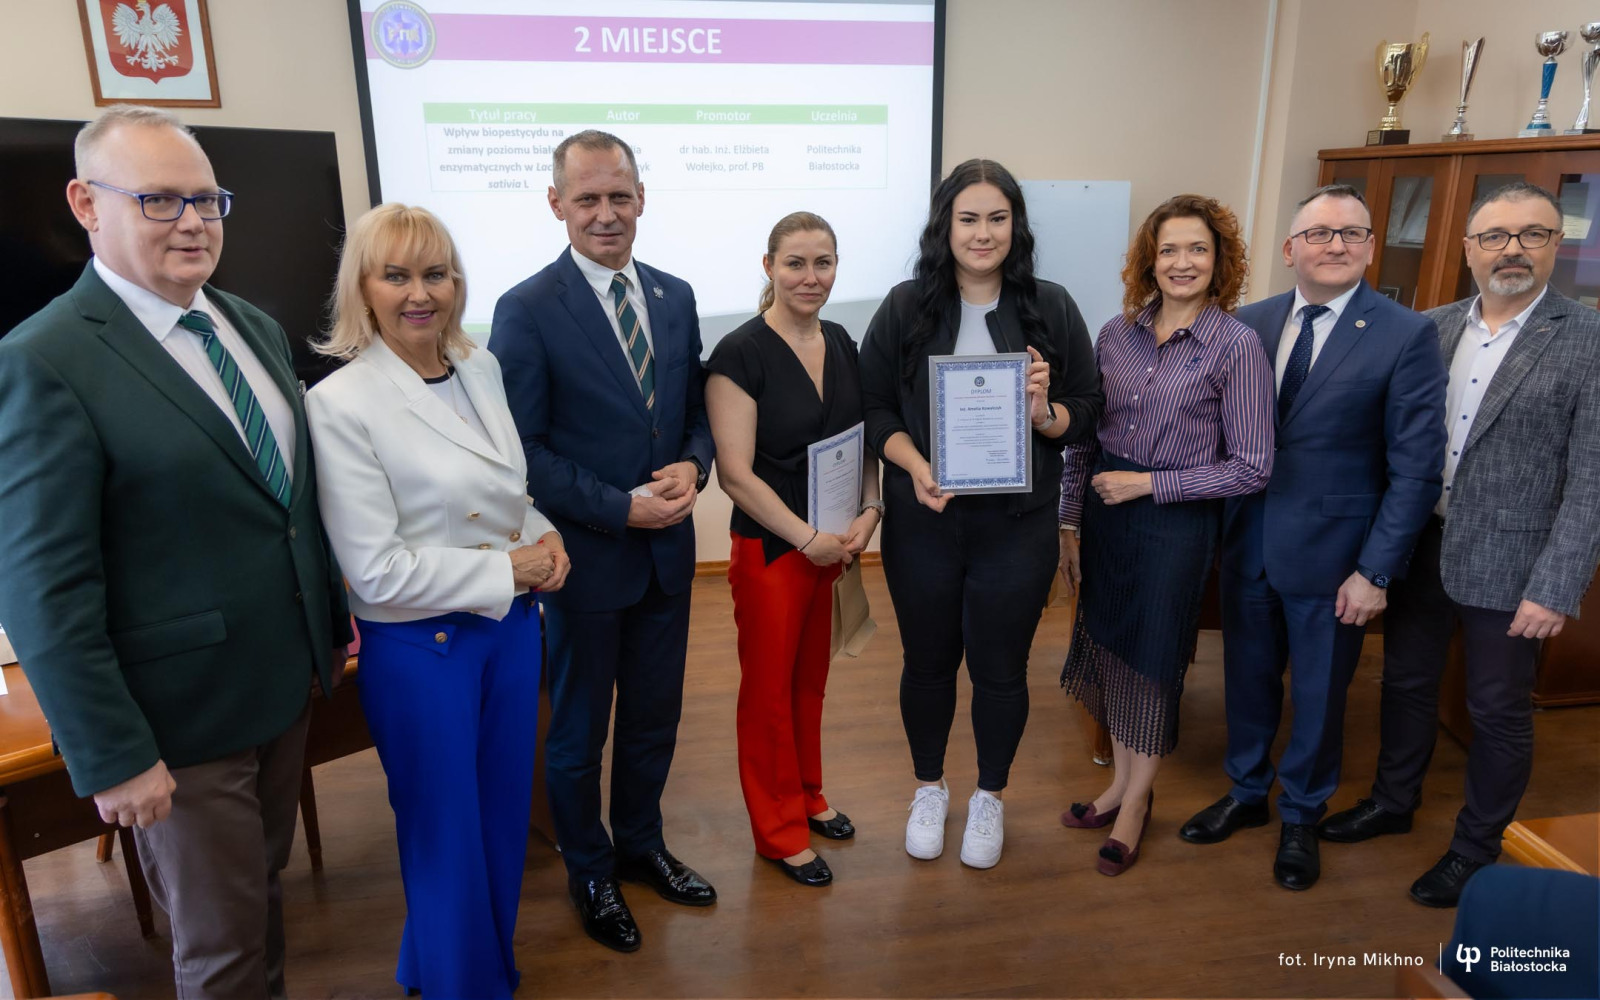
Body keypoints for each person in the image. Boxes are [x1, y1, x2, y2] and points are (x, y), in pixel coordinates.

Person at [0, 105, 352, 1000]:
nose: (194, 222)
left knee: (259, 904)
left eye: (207, 200)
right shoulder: (44, 360)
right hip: (175, 723)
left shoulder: (249, 324)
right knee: (222, 950)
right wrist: (112, 754)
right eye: (159, 200)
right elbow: (43, 588)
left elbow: (283, 509)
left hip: (278, 688)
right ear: (86, 204)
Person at [306, 204, 568, 998]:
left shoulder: (477, 367)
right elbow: (375, 570)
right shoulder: (340, 402)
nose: (420, 294)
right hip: (425, 650)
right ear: (363, 288)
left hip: (510, 632)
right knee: (445, 837)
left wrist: (546, 534)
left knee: (498, 822)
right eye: (397, 276)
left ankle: (438, 967)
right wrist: (511, 571)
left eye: (436, 274)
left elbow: (502, 493)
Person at [1319, 182, 1600, 907]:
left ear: (1556, 245)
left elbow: (1593, 480)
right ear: (1469, 249)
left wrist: (1555, 586)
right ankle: (1393, 802)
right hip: (1420, 546)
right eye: (1495, 236)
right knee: (1405, 685)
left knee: (1497, 710)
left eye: (1532, 234)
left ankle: (1476, 847)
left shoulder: (1588, 339)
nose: (1513, 250)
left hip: (1514, 565)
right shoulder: (1429, 328)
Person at [1178, 184, 1447, 892]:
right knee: (1246, 679)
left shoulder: (1405, 334)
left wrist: (1376, 571)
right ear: (1290, 249)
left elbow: (1417, 470)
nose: (1336, 245)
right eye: (1320, 234)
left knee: (1322, 695)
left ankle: (1301, 812)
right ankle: (1246, 791)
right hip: (1247, 543)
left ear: (1370, 247)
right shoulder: (1247, 323)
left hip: (1337, 559)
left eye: (1351, 233)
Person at [489, 129, 716, 953]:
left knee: (654, 719)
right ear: (557, 204)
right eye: (587, 198)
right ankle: (589, 870)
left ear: (641, 198)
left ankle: (641, 847)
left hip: (667, 559)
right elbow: (524, 450)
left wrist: (695, 465)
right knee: (580, 733)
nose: (606, 213)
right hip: (585, 562)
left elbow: (694, 410)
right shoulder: (525, 309)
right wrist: (620, 510)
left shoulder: (675, 295)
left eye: (620, 196)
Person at [859, 158, 1103, 869]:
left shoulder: (1050, 306)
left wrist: (1044, 412)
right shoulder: (905, 306)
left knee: (1001, 670)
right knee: (927, 664)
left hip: (1018, 528)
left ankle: (990, 795)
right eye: (968, 218)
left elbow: (1087, 409)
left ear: (1016, 226)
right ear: (946, 226)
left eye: (998, 218)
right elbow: (874, 406)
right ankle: (929, 787)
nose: (983, 233)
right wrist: (916, 466)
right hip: (925, 522)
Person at [1056, 194, 1274, 876]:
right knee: (1114, 654)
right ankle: (1122, 784)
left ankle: (1135, 803)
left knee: (1152, 663)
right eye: (1169, 249)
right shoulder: (1115, 334)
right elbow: (1085, 439)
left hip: (1174, 525)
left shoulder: (1236, 346)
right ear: (1149, 260)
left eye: (1197, 249)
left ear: (1219, 261)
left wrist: (1150, 485)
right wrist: (1068, 520)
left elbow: (1253, 467)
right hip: (1104, 517)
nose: (1183, 262)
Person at [706, 212, 882, 887]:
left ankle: (808, 794)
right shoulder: (739, 354)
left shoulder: (841, 340)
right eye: (796, 263)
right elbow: (735, 474)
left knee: (810, 682)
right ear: (769, 267)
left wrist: (871, 509)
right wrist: (806, 539)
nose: (811, 277)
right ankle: (778, 832)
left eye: (823, 263)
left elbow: (862, 440)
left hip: (833, 547)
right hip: (775, 552)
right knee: (768, 694)